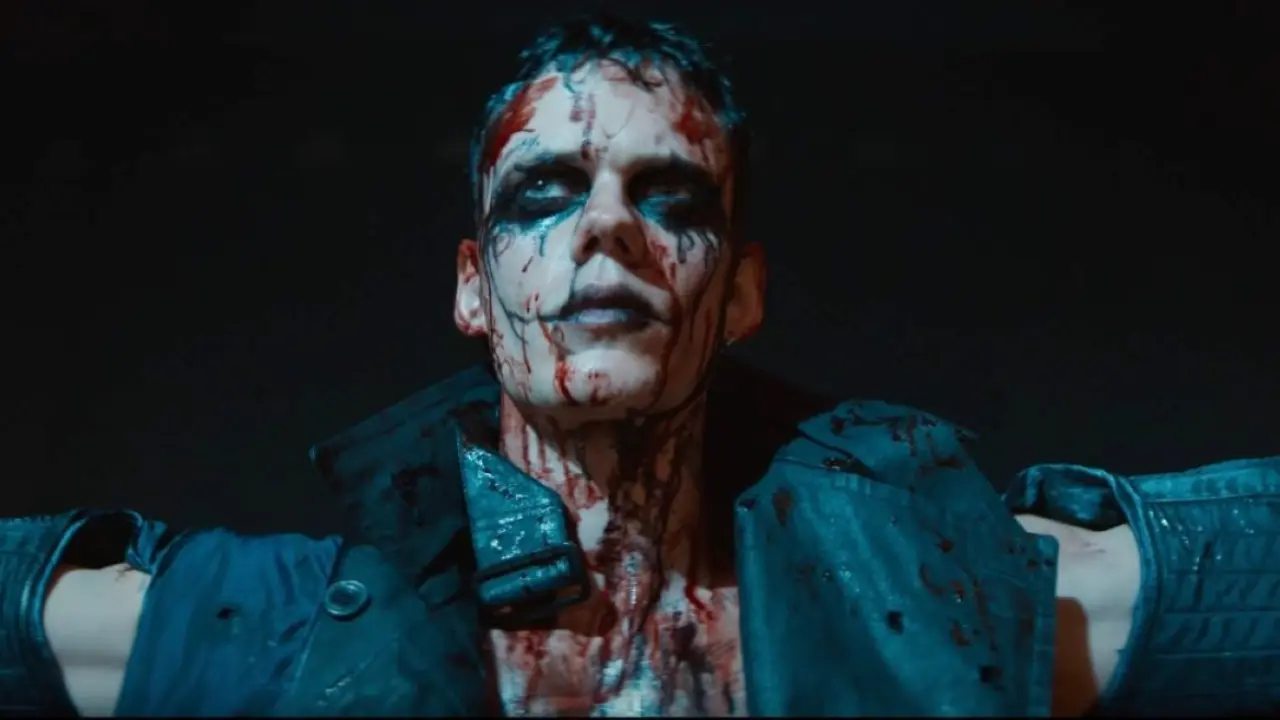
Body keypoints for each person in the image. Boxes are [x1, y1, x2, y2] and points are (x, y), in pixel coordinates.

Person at [9, 13, 1279, 717]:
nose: (605, 228)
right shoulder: (278, 634)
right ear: (474, 288)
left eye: (668, 196)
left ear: (739, 294)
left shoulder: (945, 600)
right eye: (544, 193)